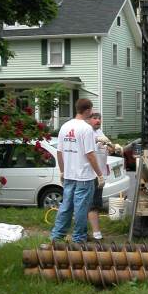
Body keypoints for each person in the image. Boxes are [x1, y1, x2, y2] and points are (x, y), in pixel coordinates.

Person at [50, 98, 105, 245]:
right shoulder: (86, 129)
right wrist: (99, 175)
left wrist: (62, 171)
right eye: (91, 110)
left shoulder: (65, 126)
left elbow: (59, 152)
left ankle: (56, 236)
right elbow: (90, 155)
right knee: (82, 208)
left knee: (66, 205)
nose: (92, 112)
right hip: (84, 177)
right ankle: (78, 239)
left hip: (69, 175)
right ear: (87, 110)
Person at [87, 111, 112, 241]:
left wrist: (113, 147)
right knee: (91, 204)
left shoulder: (100, 132)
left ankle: (93, 232)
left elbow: (107, 148)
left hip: (100, 175)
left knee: (95, 204)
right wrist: (97, 139)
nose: (97, 120)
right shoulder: (88, 132)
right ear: (88, 120)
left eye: (99, 118)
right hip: (91, 175)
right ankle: (95, 234)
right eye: (94, 118)